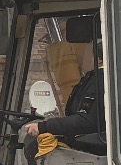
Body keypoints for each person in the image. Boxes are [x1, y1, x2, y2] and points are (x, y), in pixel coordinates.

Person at [22, 12, 105, 156]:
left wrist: (44, 127)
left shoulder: (99, 81)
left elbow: (87, 120)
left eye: (86, 54)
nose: (81, 58)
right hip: (96, 142)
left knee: (35, 148)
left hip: (95, 148)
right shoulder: (101, 79)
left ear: (98, 58)